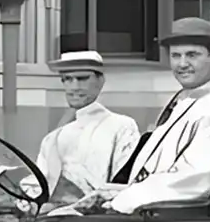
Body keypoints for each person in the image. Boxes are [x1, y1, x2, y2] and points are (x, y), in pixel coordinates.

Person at [69, 18, 210, 216]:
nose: (182, 64)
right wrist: (114, 191)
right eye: (175, 55)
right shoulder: (186, 102)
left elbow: (192, 181)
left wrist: (124, 200)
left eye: (192, 55)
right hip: (154, 210)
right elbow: (158, 171)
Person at [33, 50, 140, 206]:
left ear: (100, 81)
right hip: (53, 221)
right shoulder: (51, 139)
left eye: (82, 79)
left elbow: (125, 184)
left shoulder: (121, 126)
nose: (74, 87)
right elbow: (38, 186)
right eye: (68, 79)